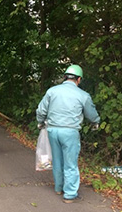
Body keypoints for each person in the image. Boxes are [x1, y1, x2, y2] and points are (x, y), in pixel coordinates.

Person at [36, 65, 100, 203]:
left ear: (65, 77)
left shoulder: (52, 91)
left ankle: (59, 188)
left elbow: (41, 110)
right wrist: (96, 122)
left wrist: (40, 122)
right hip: (70, 132)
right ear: (79, 79)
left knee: (57, 160)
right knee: (70, 163)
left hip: (53, 130)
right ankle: (70, 194)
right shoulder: (83, 95)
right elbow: (91, 114)